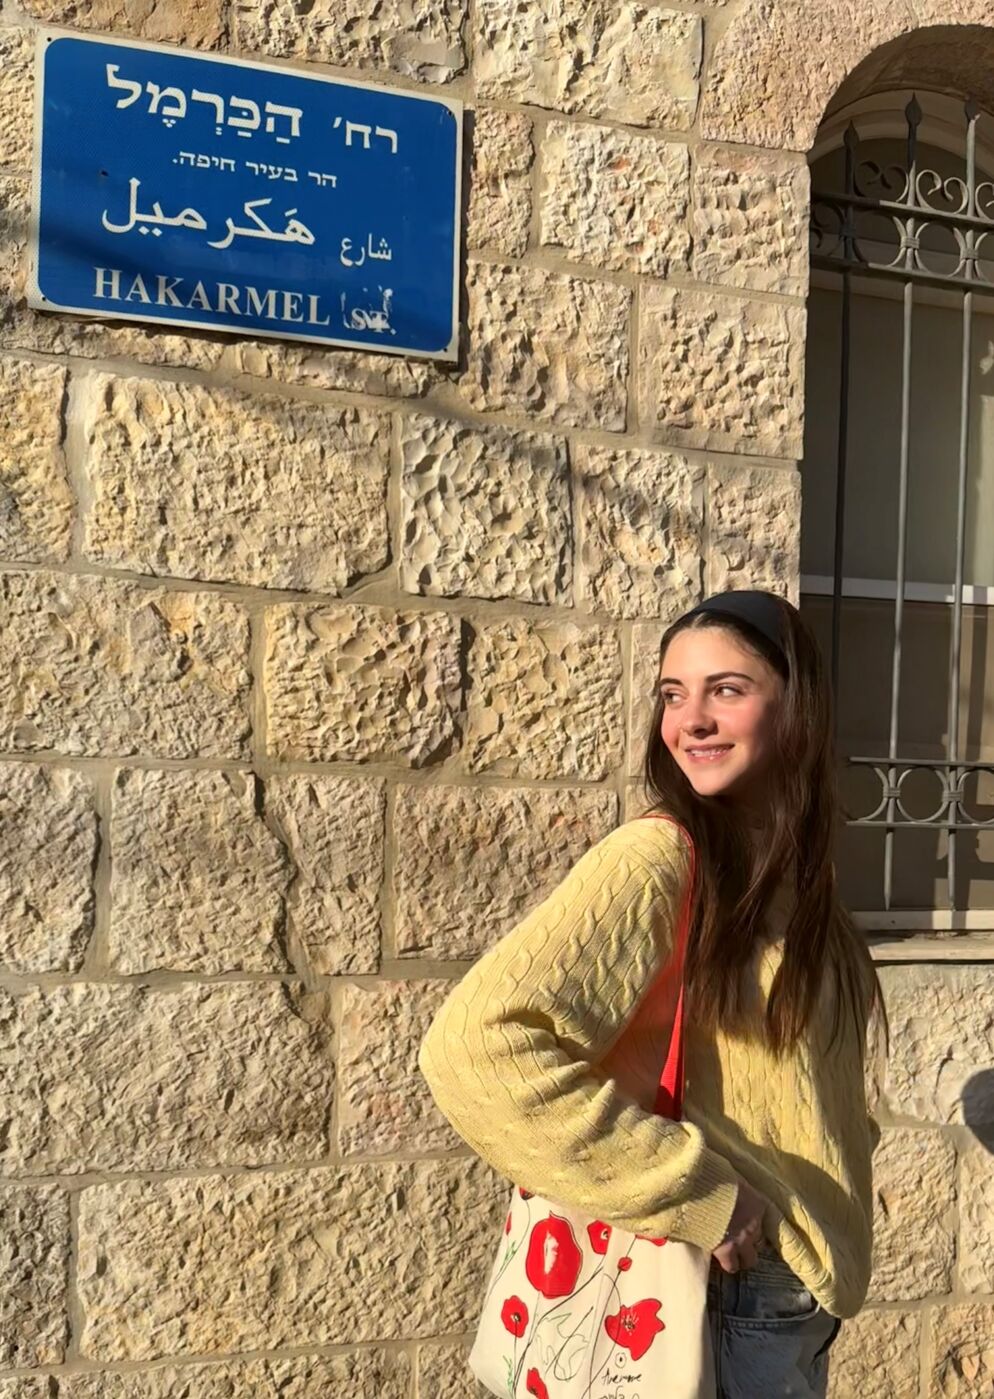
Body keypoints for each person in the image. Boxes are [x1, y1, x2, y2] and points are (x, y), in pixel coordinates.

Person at [418, 589, 886, 1398]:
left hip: (787, 1303)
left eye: (725, 689)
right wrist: (704, 1191)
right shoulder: (657, 859)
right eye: (673, 693)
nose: (691, 719)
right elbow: (474, 1048)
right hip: (717, 1298)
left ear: (798, 705)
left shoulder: (795, 881)